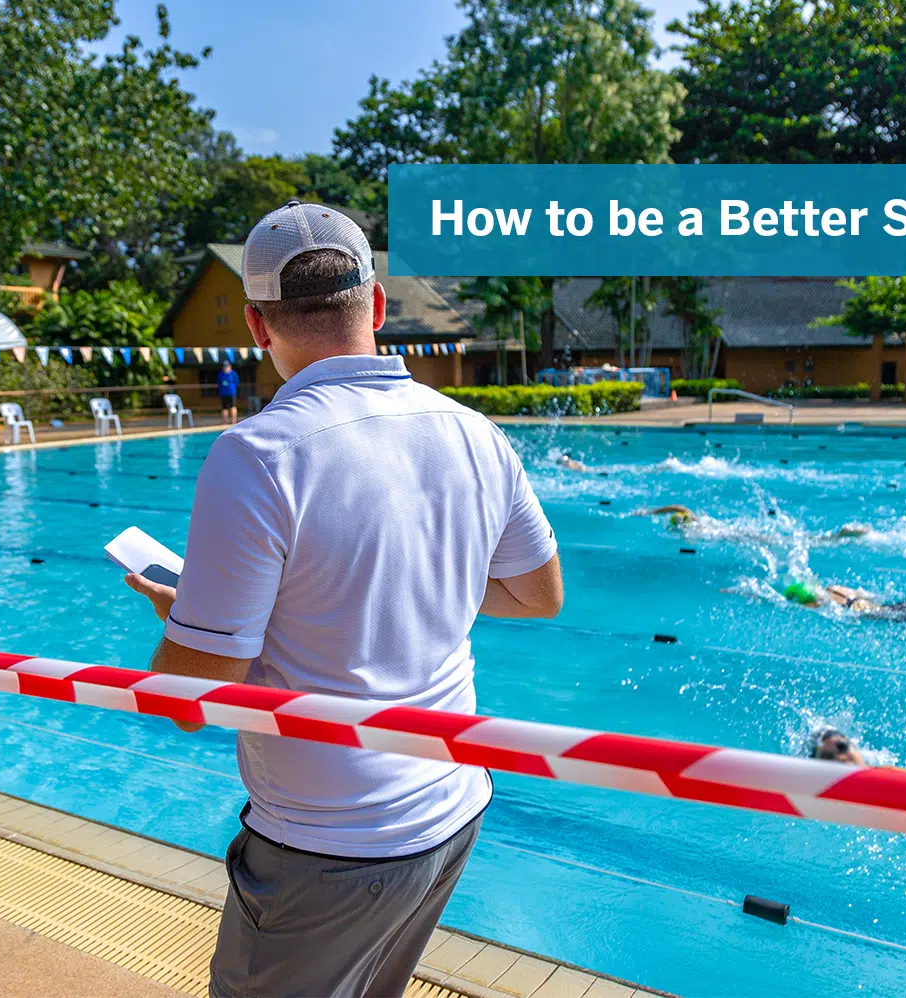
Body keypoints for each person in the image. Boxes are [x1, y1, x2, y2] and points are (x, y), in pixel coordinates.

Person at [123, 201, 563, 998]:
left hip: (330, 844)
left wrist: (184, 620)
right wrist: (429, 583)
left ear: (258, 326)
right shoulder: (476, 433)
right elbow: (539, 597)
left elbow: (184, 700)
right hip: (453, 807)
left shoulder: (257, 455)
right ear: (380, 307)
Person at [216, 359, 239, 425]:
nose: (226, 368)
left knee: (233, 406)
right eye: (224, 366)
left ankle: (233, 421)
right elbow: (219, 383)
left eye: (227, 366)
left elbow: (236, 382)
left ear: (230, 366)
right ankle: (224, 421)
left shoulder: (233, 373)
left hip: (232, 393)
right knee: (224, 408)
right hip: (223, 393)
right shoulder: (220, 374)